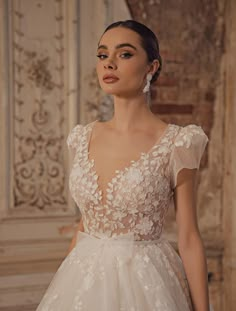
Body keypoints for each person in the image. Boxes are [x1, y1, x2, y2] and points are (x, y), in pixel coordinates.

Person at [36, 20, 211, 311]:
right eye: (103, 55)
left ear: (151, 67)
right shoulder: (82, 137)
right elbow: (87, 223)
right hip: (82, 280)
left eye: (125, 54)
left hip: (147, 283)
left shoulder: (178, 143)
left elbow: (189, 237)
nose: (109, 64)